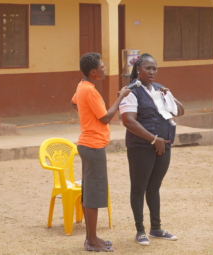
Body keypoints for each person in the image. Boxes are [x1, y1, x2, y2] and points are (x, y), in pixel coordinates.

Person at [120, 53, 185, 245]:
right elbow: (128, 121)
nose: (152, 71)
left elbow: (179, 112)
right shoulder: (130, 91)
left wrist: (170, 95)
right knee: (139, 188)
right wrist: (153, 139)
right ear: (138, 69)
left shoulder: (158, 89)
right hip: (141, 147)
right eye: (148, 68)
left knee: (154, 187)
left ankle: (156, 228)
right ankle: (140, 231)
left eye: (154, 68)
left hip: (164, 145)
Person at [71, 52, 131, 252]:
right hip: (93, 146)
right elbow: (106, 118)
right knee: (94, 195)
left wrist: (87, 114)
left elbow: (74, 102)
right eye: (102, 66)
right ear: (93, 71)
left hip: (87, 144)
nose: (104, 69)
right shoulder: (91, 91)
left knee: (90, 193)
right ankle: (92, 241)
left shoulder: (82, 86)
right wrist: (121, 97)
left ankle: (91, 238)